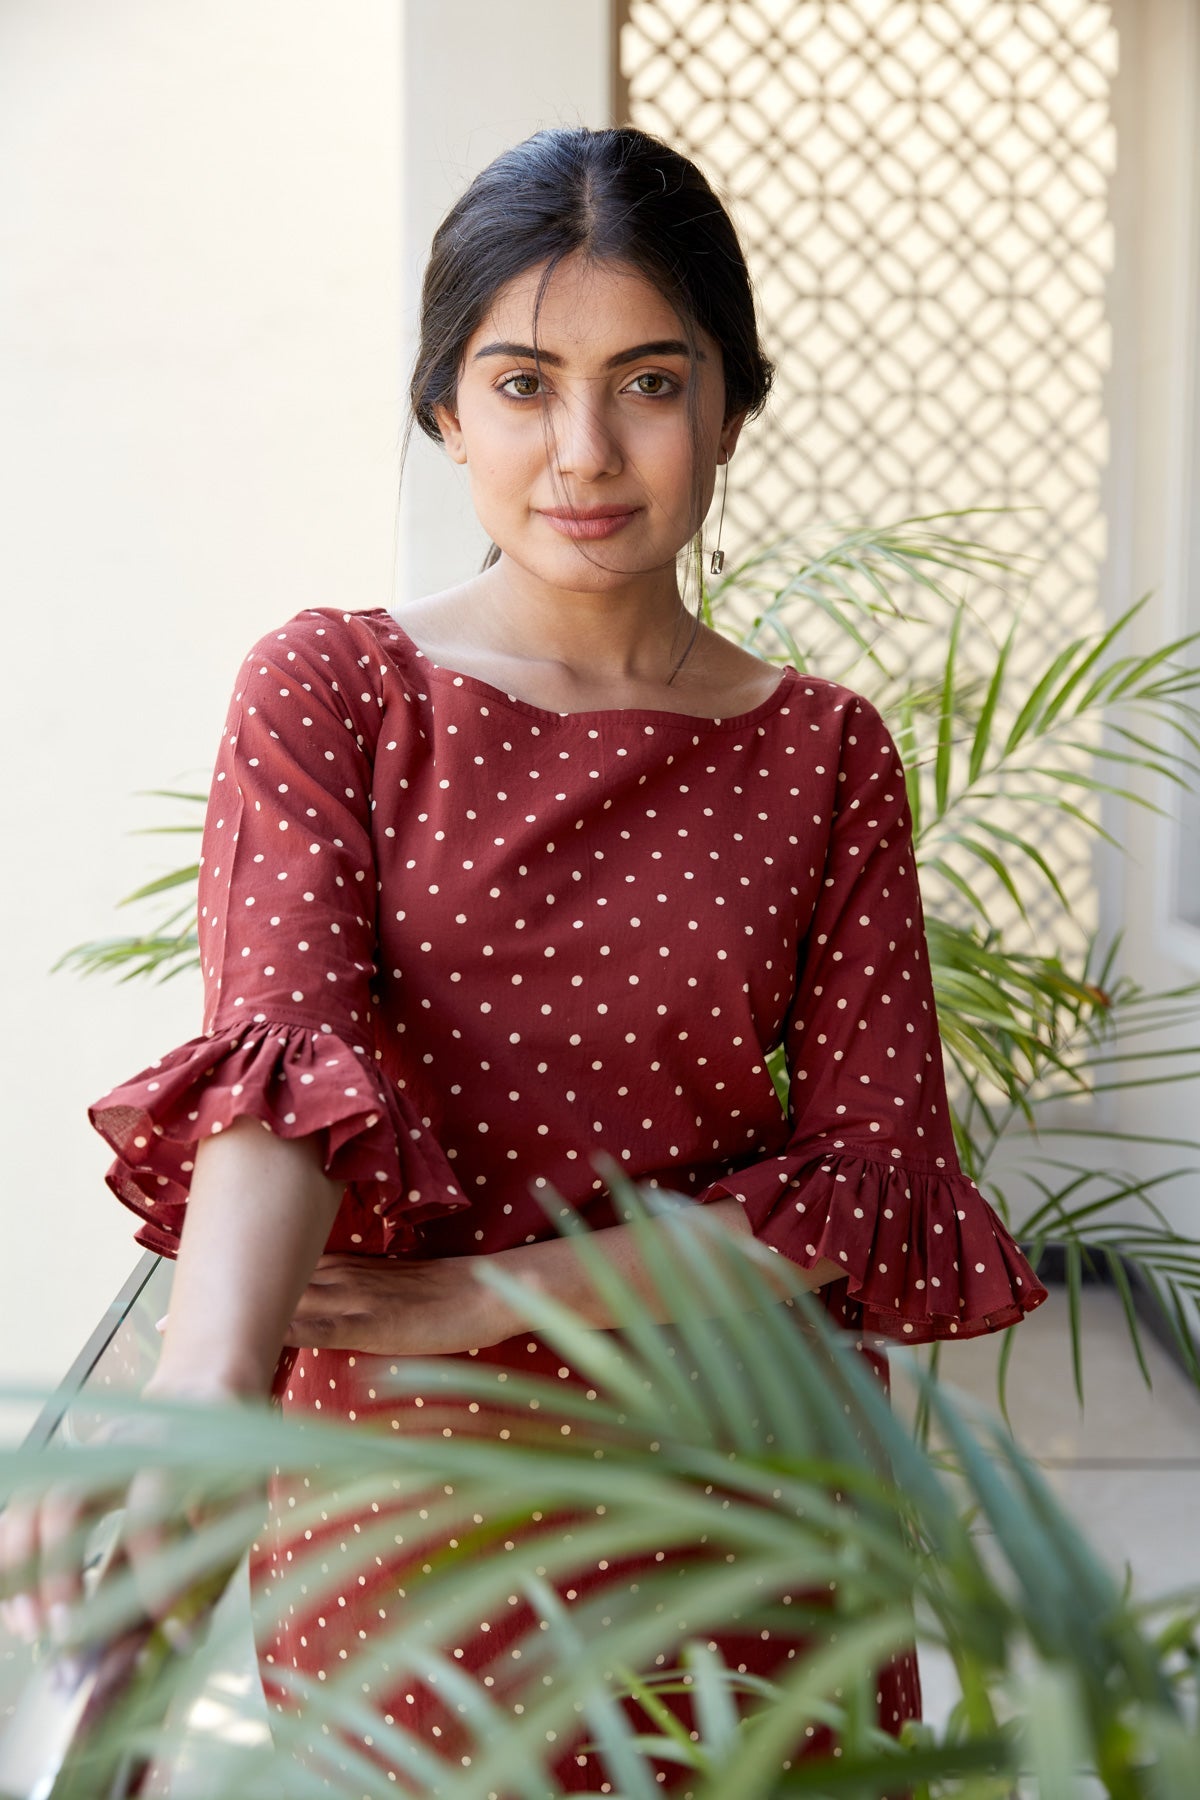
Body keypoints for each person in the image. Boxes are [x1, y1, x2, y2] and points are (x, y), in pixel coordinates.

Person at [0, 124, 1047, 1790]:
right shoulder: (337, 691)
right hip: (410, 1536)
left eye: (647, 380)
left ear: (729, 405)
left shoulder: (825, 754)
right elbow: (276, 1073)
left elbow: (865, 1180)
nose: (585, 449)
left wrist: (466, 1298)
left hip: (750, 1509)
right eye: (519, 382)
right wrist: (200, 1396)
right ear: (443, 410)